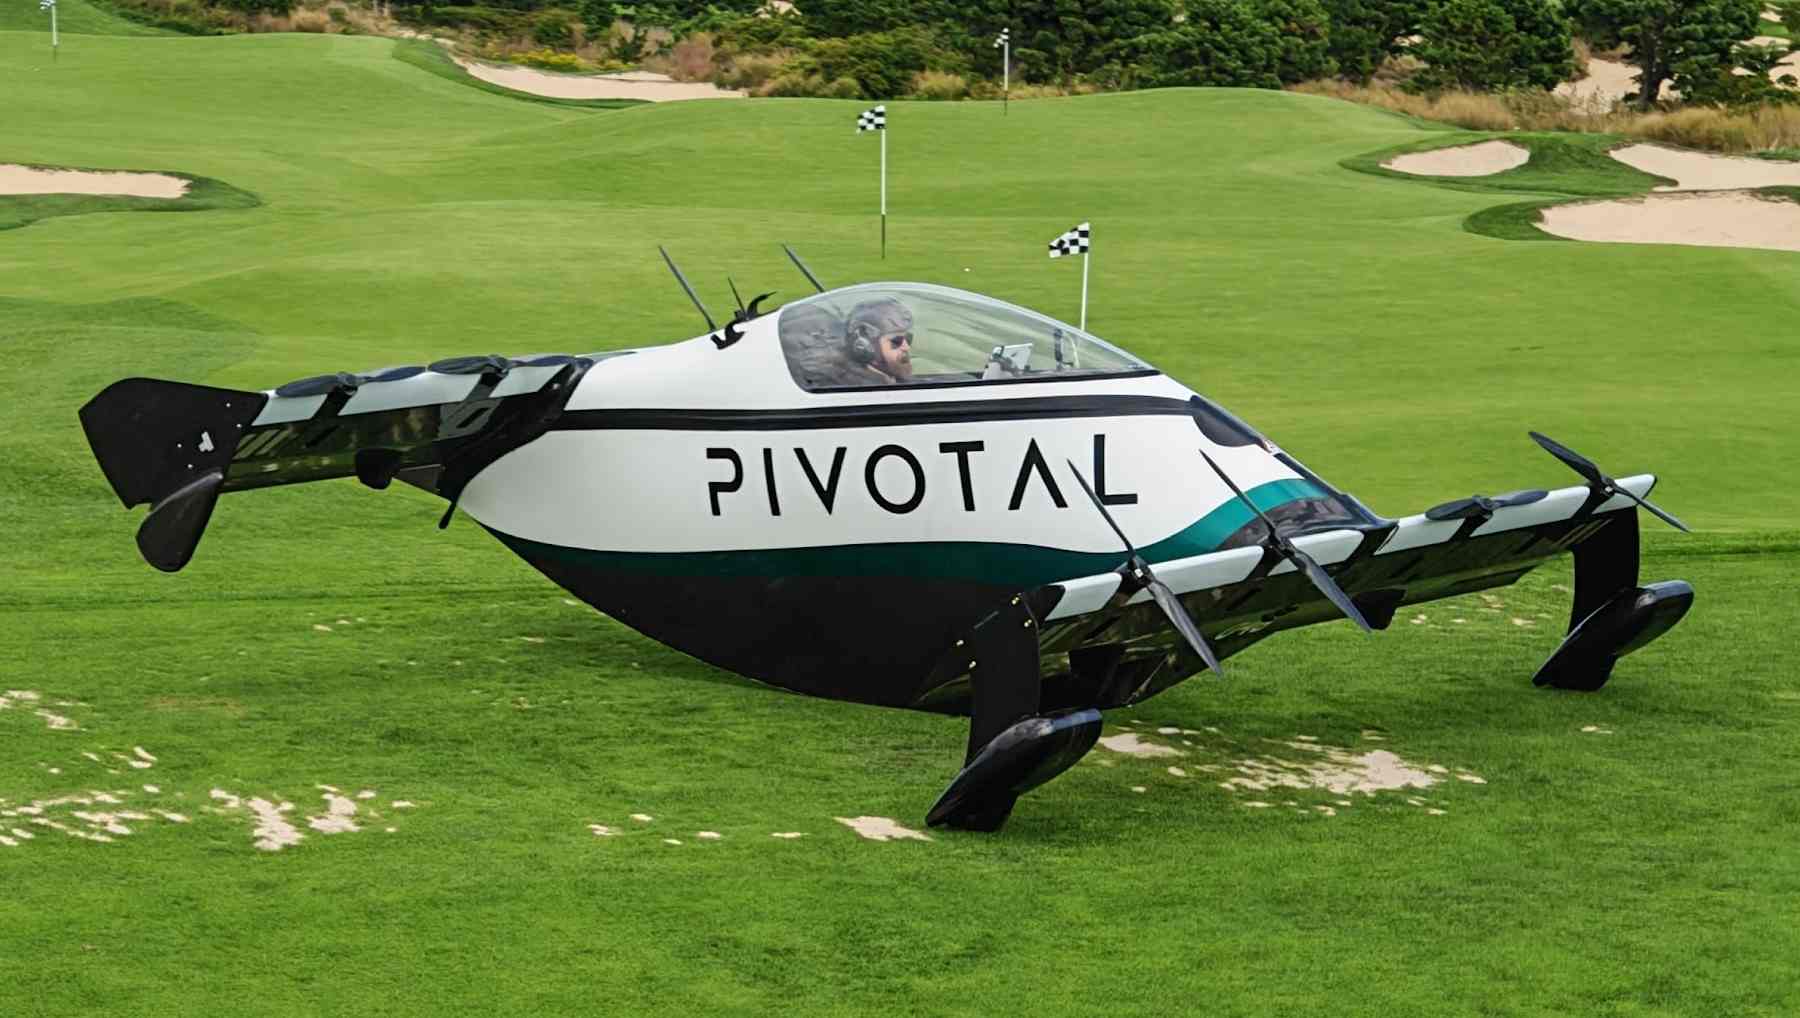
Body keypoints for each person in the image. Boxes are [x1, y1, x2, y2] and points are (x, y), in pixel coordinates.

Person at [842, 297, 915, 383]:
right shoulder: (864, 390)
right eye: (897, 341)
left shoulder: (888, 382)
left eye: (908, 338)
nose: (906, 347)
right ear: (864, 347)